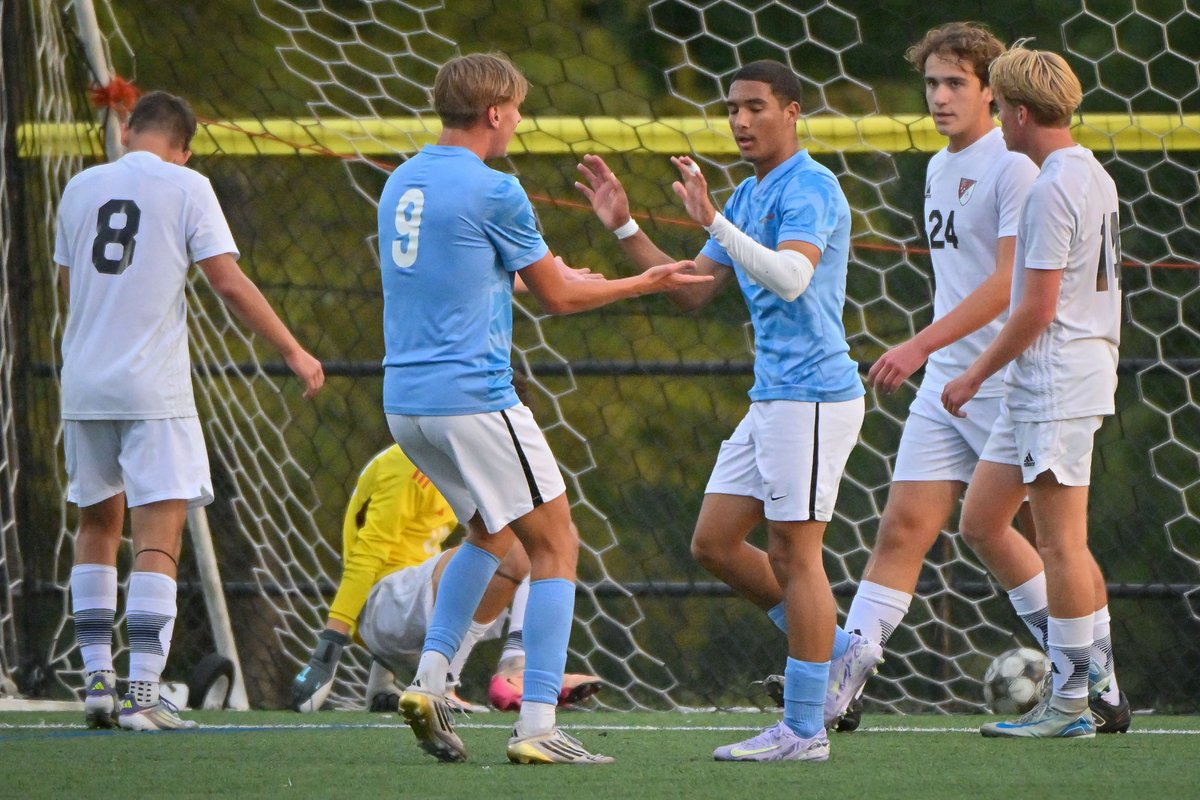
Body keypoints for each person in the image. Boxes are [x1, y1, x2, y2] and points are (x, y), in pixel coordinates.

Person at [378, 52, 709, 766]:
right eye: (518, 111)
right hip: (474, 398)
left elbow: (459, 275)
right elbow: (559, 297)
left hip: (406, 403)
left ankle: (430, 682)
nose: (518, 123)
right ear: (495, 111)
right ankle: (536, 724)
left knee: (490, 532)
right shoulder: (495, 187)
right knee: (556, 544)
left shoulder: (403, 180)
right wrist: (642, 282)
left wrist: (541, 280)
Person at [576, 59, 870, 763]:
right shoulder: (745, 193)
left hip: (813, 397)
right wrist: (624, 228)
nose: (740, 120)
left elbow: (792, 278)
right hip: (773, 396)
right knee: (713, 543)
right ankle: (837, 649)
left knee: (795, 554)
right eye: (732, 108)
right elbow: (692, 290)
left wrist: (712, 220)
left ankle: (804, 731)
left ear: (792, 112)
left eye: (755, 106)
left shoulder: (811, 186)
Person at [56, 91, 324, 731]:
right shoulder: (187, 186)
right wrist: (292, 349)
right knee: (158, 534)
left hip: (84, 384)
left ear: (127, 130)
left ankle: (98, 684)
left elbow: (70, 286)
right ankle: (142, 694)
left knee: (97, 525)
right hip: (152, 389)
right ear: (184, 150)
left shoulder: (79, 188)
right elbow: (227, 281)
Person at [941, 44, 1123, 738]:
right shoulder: (1088, 171)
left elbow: (1038, 308)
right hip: (1048, 380)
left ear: (1018, 113)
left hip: (1056, 381)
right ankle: (1095, 676)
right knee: (983, 519)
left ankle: (1073, 699)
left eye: (1001, 108)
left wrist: (974, 373)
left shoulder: (1050, 187)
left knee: (1061, 545)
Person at [288, 444, 602, 713]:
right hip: (381, 611)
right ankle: (444, 683)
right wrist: (326, 653)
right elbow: (366, 558)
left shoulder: (463, 461)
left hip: (414, 619)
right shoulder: (406, 465)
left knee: (549, 534)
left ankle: (516, 667)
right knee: (517, 541)